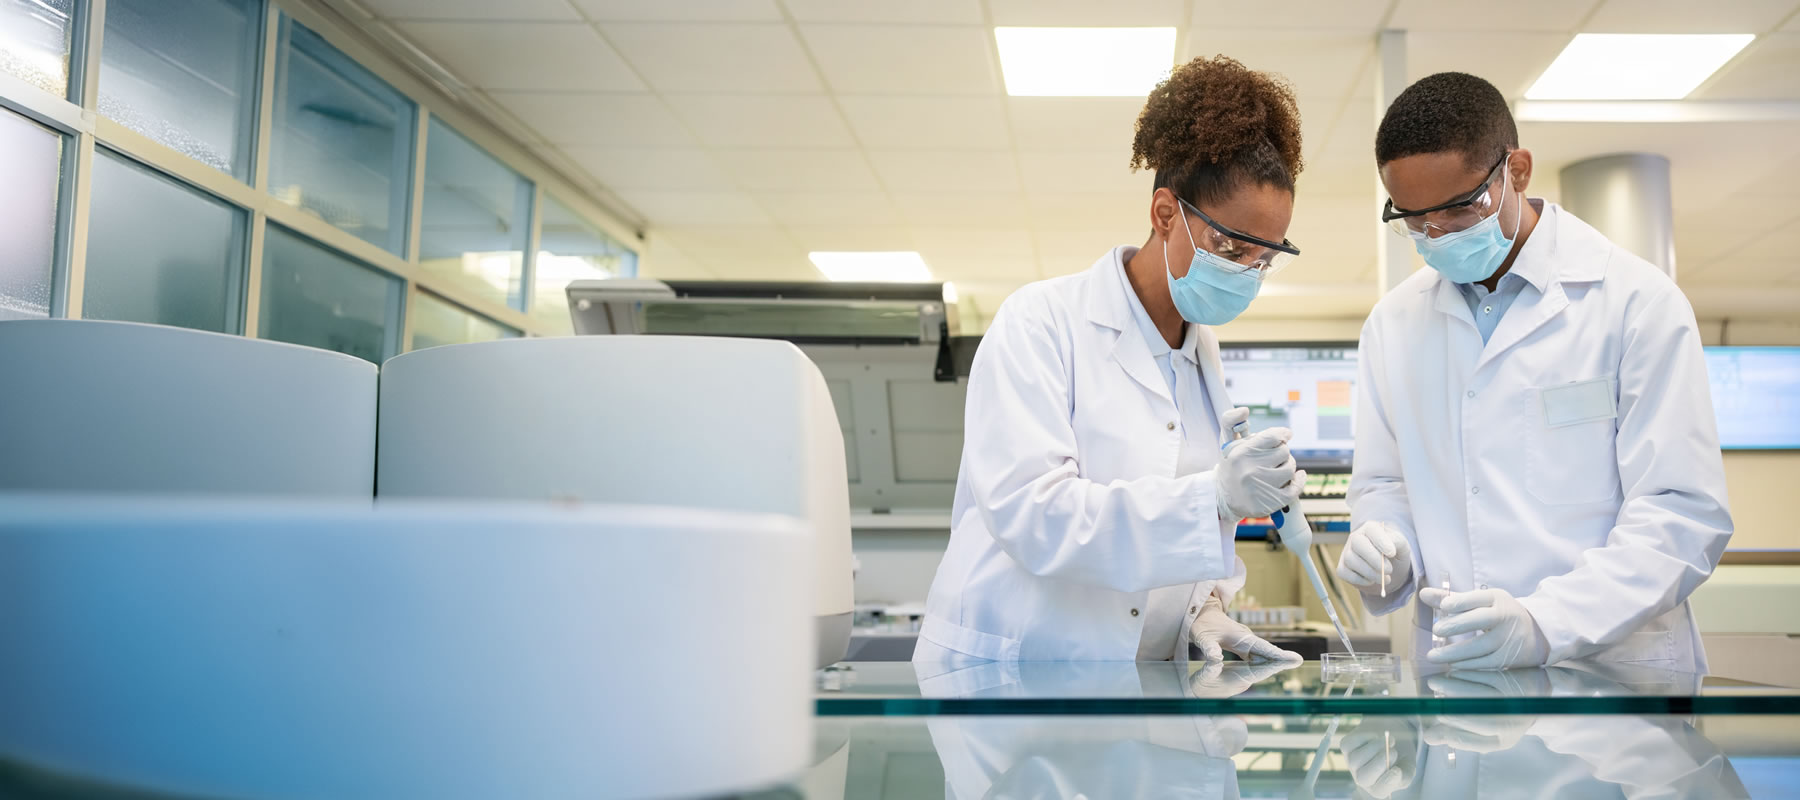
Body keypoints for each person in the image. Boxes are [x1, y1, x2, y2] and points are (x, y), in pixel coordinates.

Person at [914, 56, 1309, 664]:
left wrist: (1205, 608)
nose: (1247, 272)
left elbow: (1174, 535)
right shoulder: (1040, 323)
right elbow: (1036, 516)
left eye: (1265, 257)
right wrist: (1215, 500)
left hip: (1141, 689)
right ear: (1165, 213)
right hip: (1017, 676)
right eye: (1230, 245)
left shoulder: (1202, 359)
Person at [1340, 72, 1733, 672]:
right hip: (1460, 673)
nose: (1435, 234)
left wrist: (1545, 624)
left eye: (1455, 208)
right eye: (1413, 218)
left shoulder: (1635, 303)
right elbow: (1385, 485)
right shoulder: (1393, 324)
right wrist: (1385, 542)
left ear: (1515, 172)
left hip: (1612, 680)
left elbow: (1681, 513)